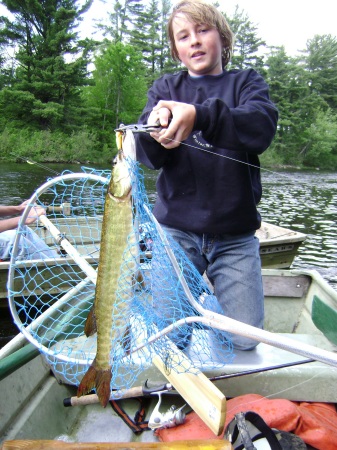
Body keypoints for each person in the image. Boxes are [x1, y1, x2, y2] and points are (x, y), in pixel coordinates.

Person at [135, 0, 278, 351]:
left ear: (222, 39)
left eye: (203, 30)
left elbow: (260, 127)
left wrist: (200, 116)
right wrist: (153, 131)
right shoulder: (164, 90)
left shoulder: (247, 84)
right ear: (177, 50)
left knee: (245, 342)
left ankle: (211, 301)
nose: (194, 41)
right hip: (176, 234)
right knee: (170, 339)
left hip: (234, 238)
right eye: (183, 36)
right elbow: (146, 157)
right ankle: (194, 295)